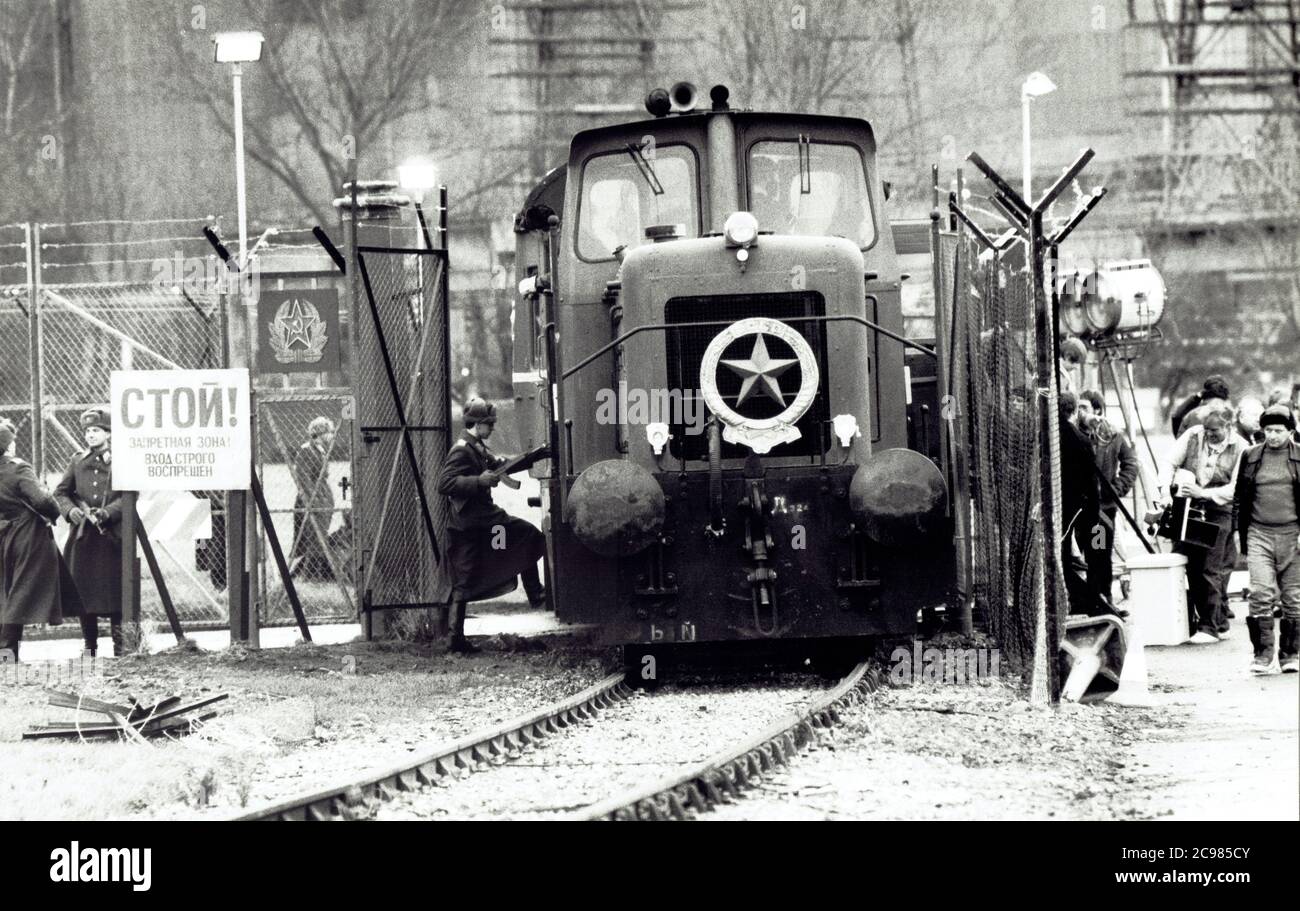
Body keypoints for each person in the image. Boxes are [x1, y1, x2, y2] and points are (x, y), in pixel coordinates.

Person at [436, 398, 547, 653]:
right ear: (478, 424)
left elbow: (502, 467)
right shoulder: (463, 449)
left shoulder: (476, 447)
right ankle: (535, 593)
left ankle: (455, 640)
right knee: (528, 536)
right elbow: (444, 484)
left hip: (471, 523)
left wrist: (535, 457)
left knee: (463, 580)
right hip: (478, 520)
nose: (493, 428)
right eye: (490, 424)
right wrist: (479, 481)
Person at [1157, 406, 1249, 643]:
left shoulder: (1241, 448)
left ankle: (1210, 626)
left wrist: (1204, 493)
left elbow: (1236, 488)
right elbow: (1168, 461)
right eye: (1206, 429)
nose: (1208, 434)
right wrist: (1165, 491)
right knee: (1188, 562)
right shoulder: (1193, 435)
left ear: (1228, 427)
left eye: (1215, 430)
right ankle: (1214, 622)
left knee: (1211, 567)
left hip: (1220, 510)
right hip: (1188, 506)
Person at [0, 419, 83, 661]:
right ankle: (7, 652)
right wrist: (53, 510)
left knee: (5, 593)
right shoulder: (18, 469)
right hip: (28, 536)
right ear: (7, 446)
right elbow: (42, 501)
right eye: (12, 441)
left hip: (3, 534)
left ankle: (6, 652)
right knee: (21, 593)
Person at [1232, 405, 1300, 674]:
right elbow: (1239, 497)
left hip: (1293, 534)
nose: (1272, 436)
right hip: (1259, 532)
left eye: (1278, 431)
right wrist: (1239, 532)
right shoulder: (1250, 456)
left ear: (1290, 431)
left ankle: (1290, 654)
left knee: (1293, 596)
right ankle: (1262, 655)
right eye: (1268, 430)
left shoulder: (1298, 457)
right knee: (1260, 593)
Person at [53, 408, 123, 656]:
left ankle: (121, 646)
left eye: (96, 430)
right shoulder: (77, 461)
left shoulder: (121, 461)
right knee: (83, 594)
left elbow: (130, 495)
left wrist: (109, 512)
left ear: (108, 434)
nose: (91, 435)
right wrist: (70, 511)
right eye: (88, 431)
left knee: (117, 592)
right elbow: (60, 492)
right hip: (84, 539)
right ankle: (89, 646)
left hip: (112, 537)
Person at [1058, 391, 1116, 616]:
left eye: (1087, 408)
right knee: (1095, 540)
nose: (1083, 413)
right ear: (1074, 411)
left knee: (1101, 541)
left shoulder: (1106, 435)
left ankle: (1102, 592)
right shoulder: (1076, 437)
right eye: (1079, 408)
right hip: (1084, 505)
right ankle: (1091, 595)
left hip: (1096, 505)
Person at [290, 416, 337, 581]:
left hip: (323, 499)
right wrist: (314, 502)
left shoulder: (321, 450)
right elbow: (304, 480)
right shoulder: (306, 450)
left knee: (320, 539)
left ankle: (312, 575)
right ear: (320, 433)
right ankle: (306, 576)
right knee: (313, 540)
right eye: (329, 432)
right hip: (312, 501)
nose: (331, 436)